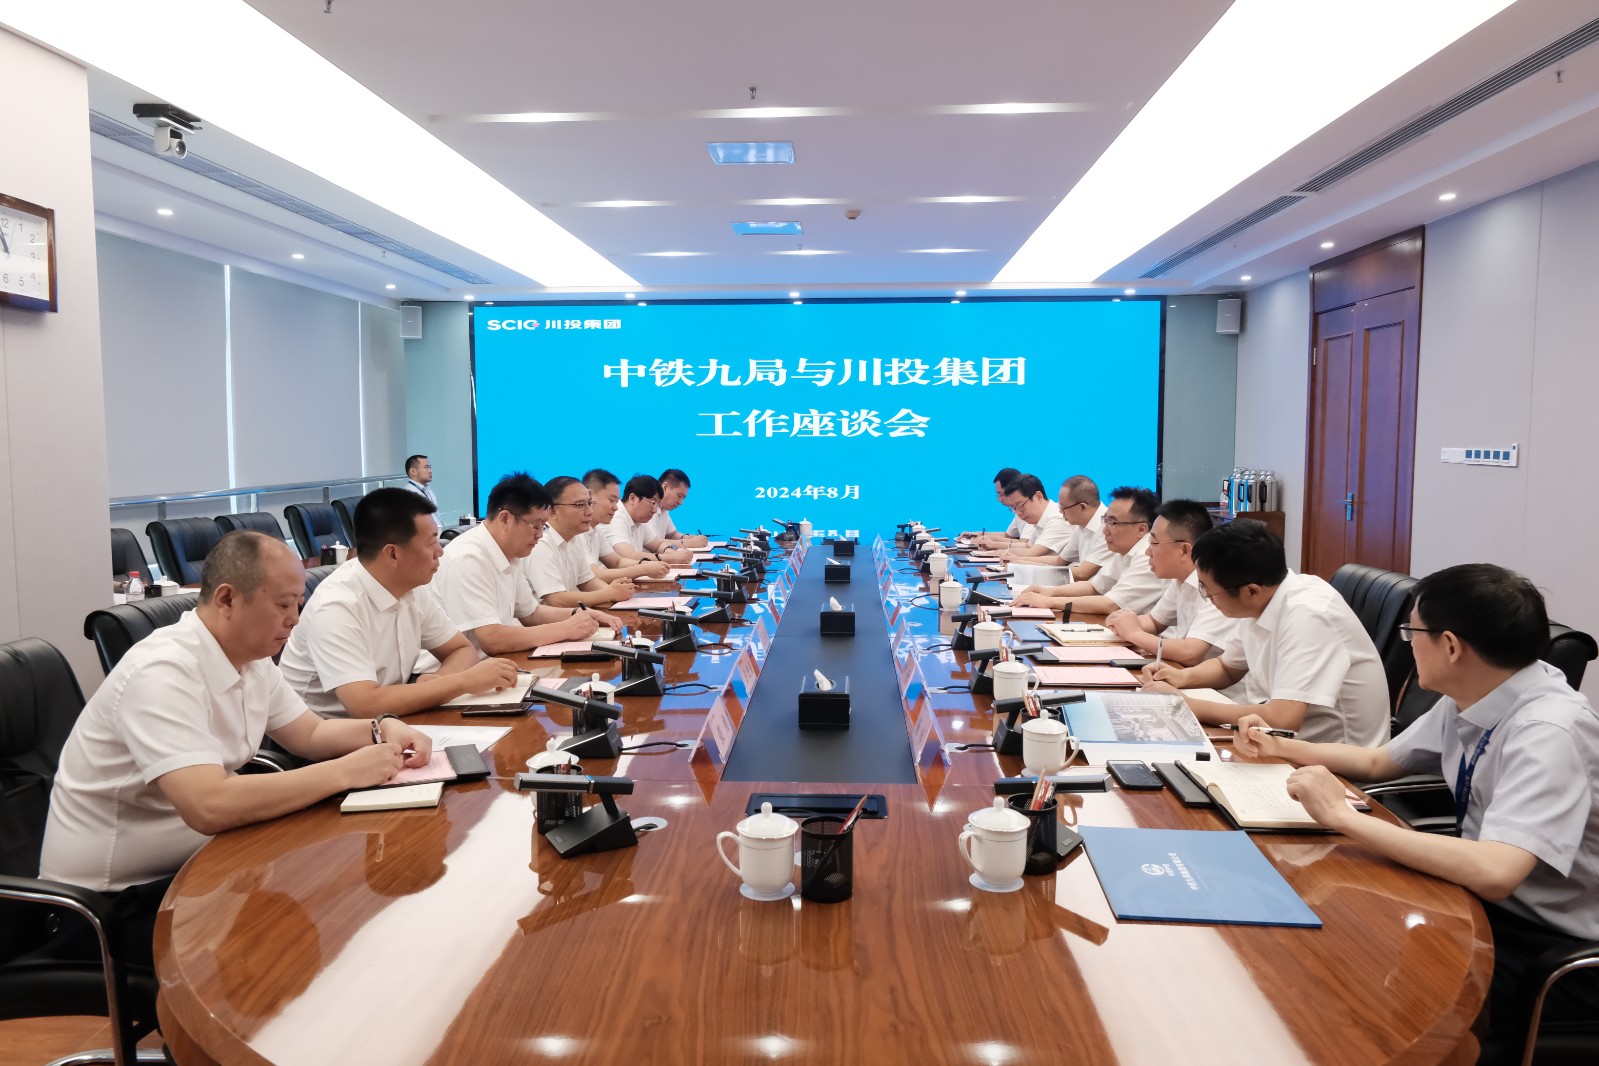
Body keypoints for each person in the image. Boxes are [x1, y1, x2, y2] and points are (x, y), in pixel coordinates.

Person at [1234, 563, 1599, 1049]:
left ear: (1450, 646)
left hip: (1552, 946)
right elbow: (1379, 761)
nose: (1408, 644)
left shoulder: (1548, 732)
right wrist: (1281, 745)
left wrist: (1341, 816)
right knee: (1333, 930)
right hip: (1490, 905)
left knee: (1361, 994)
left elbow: (1497, 871)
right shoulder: (1484, 689)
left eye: (1413, 632)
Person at [38, 531, 433, 972]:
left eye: (298, 603)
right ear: (227, 599)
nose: (295, 619)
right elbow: (209, 805)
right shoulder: (162, 672)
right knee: (293, 947)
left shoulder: (250, 657)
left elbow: (311, 733)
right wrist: (345, 772)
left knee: (338, 905)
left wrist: (382, 727)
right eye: (283, 605)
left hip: (204, 868)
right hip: (110, 908)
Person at [1142, 519, 1390, 745]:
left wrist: (1185, 704)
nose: (1206, 597)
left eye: (1208, 590)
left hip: (1334, 763)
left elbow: (1282, 719)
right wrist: (1180, 677)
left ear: (1251, 591)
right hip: (1286, 746)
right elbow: (1228, 668)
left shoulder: (1308, 615)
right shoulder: (1263, 599)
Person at [279, 488, 519, 718]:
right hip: (327, 734)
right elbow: (365, 706)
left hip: (390, 719)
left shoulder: (409, 588)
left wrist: (440, 683)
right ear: (393, 554)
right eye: (431, 543)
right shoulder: (336, 607)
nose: (440, 551)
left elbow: (461, 649)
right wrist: (462, 682)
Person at [433, 472, 617, 654]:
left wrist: (580, 614)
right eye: (536, 526)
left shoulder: (510, 552)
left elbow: (532, 614)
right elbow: (492, 639)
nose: (540, 535)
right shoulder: (468, 558)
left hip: (496, 660)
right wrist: (566, 629)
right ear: (505, 519)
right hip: (454, 668)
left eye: (543, 526)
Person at [1102, 499, 1236, 666]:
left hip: (1209, 681)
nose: (1147, 551)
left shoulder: (1217, 585)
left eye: (1154, 543)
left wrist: (1134, 633)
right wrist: (1123, 623)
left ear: (1184, 550)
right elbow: (1154, 621)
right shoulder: (1180, 579)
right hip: (1186, 673)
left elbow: (1190, 652)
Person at [1010, 486, 1164, 615]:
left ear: (1141, 529)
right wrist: (1049, 592)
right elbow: (1094, 587)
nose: (1105, 530)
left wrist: (1050, 601)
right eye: (1105, 521)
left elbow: (1110, 604)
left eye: (1113, 523)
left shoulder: (1148, 556)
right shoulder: (1125, 551)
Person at [524, 475, 639, 608]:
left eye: (589, 503)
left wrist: (618, 593)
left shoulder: (575, 537)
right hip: (548, 619)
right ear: (552, 511)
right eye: (580, 505)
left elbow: (587, 582)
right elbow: (556, 599)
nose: (590, 511)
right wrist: (609, 594)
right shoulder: (540, 542)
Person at [582, 468, 671, 582]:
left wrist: (647, 565)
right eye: (611, 500)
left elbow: (617, 562)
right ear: (589, 496)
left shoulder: (596, 529)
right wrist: (644, 568)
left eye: (616, 501)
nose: (616, 507)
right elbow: (594, 575)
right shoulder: (577, 531)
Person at [608, 474, 695, 565]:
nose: (654, 510)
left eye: (657, 504)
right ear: (633, 498)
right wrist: (671, 558)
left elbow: (658, 544)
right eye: (653, 503)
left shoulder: (639, 519)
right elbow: (628, 555)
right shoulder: (615, 517)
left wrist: (671, 552)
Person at [993, 473, 1073, 562]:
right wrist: (995, 550)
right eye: (1014, 508)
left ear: (1038, 497)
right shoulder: (1040, 519)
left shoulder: (1057, 518)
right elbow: (1028, 546)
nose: (1018, 513)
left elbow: (1031, 553)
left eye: (1020, 506)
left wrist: (993, 552)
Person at [1056, 475, 1112, 578]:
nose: (1060, 511)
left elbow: (1083, 573)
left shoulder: (1108, 528)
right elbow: (1059, 560)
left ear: (1082, 507)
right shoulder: (1081, 525)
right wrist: (1023, 562)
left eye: (1063, 507)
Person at [645, 468, 710, 551]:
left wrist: (688, 537)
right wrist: (690, 543)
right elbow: (655, 543)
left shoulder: (663, 509)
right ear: (665, 487)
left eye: (683, 498)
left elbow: (672, 534)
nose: (681, 502)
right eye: (679, 496)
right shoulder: (648, 508)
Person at [974, 467, 1024, 548]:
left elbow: (1025, 545)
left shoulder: (1029, 511)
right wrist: (979, 535)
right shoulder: (1018, 511)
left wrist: (992, 542)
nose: (999, 500)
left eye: (1001, 494)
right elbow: (1008, 535)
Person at [402, 453, 440, 526]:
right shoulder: (408, 495)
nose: (430, 471)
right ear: (413, 471)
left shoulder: (428, 490)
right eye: (426, 467)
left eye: (430, 467)